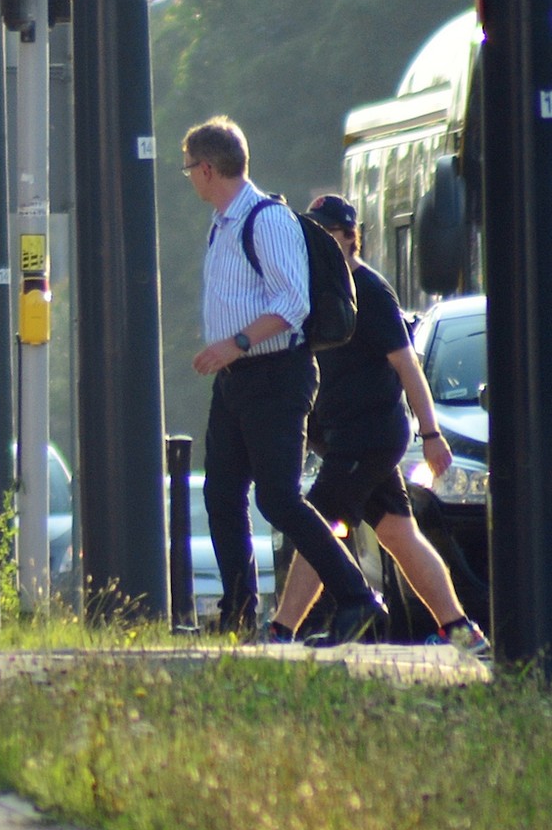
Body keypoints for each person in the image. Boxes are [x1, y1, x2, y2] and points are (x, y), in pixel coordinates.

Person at [183, 117, 384, 644]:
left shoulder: (265, 220)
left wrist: (236, 342)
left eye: (190, 170)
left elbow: (292, 303)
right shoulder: (222, 223)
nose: (190, 179)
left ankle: (358, 599)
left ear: (208, 169)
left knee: (278, 498)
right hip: (235, 381)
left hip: (276, 374)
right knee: (222, 495)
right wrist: (227, 354)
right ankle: (238, 617)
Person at [266, 196, 488, 654]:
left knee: (317, 525)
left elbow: (408, 366)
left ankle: (282, 631)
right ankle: (463, 632)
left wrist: (431, 435)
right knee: (398, 535)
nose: (321, 242)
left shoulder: (369, 289)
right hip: (346, 439)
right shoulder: (317, 288)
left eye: (330, 234)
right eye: (315, 233)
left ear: (351, 237)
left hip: (368, 437)